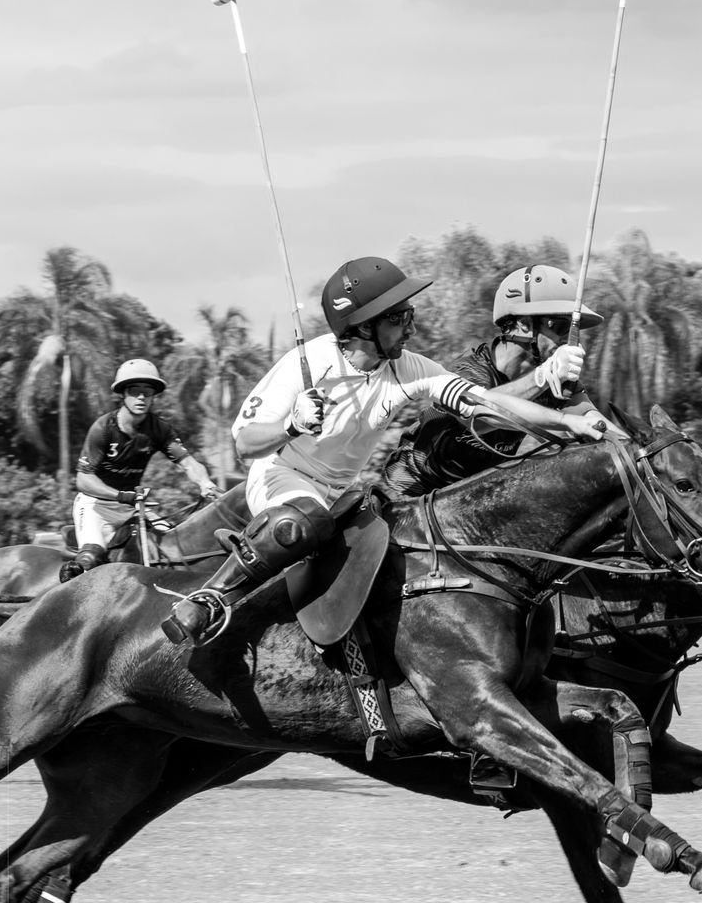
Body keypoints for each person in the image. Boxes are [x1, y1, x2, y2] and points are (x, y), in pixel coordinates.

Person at [161, 255, 609, 645]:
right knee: (305, 520)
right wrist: (291, 425)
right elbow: (244, 445)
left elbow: (484, 402)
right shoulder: (311, 362)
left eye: (409, 315)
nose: (410, 327)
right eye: (399, 318)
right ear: (362, 326)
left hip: (343, 492)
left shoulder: (408, 368)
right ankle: (209, 600)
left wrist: (566, 420)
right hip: (283, 476)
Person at [383, 264, 607, 496]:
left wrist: (639, 450)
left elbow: (593, 421)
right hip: (413, 485)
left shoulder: (557, 376)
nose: (567, 341)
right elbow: (482, 417)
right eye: (559, 327)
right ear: (524, 324)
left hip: (471, 496)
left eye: (572, 331)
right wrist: (542, 378)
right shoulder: (468, 369)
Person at [61, 359, 221, 582]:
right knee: (90, 558)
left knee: (173, 543)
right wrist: (119, 495)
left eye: (148, 393)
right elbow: (83, 479)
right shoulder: (103, 428)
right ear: (122, 395)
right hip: (96, 506)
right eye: (135, 392)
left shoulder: (159, 429)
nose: (141, 398)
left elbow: (188, 463)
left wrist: (206, 484)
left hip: (133, 506)